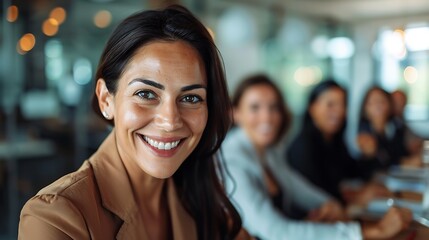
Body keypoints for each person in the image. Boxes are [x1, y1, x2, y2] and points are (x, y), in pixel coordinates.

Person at [18, 5, 247, 240]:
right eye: (146, 94)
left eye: (190, 98)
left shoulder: (200, 199)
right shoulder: (54, 219)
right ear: (106, 99)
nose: (169, 121)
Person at [222, 74, 412, 240]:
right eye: (255, 108)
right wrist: (371, 231)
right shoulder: (233, 161)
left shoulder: (268, 152)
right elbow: (276, 232)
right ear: (236, 113)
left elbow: (297, 188)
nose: (267, 117)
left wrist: (330, 204)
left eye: (273, 108)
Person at [287, 80, 390, 205]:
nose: (339, 112)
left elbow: (354, 172)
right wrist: (357, 198)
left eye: (343, 105)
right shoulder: (303, 147)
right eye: (330, 104)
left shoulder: (334, 141)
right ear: (312, 107)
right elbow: (317, 199)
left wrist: (369, 155)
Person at [356, 87, 413, 175]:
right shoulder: (363, 134)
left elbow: (402, 154)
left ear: (390, 105)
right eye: (373, 102)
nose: (378, 106)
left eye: (381, 101)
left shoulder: (395, 129)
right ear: (365, 108)